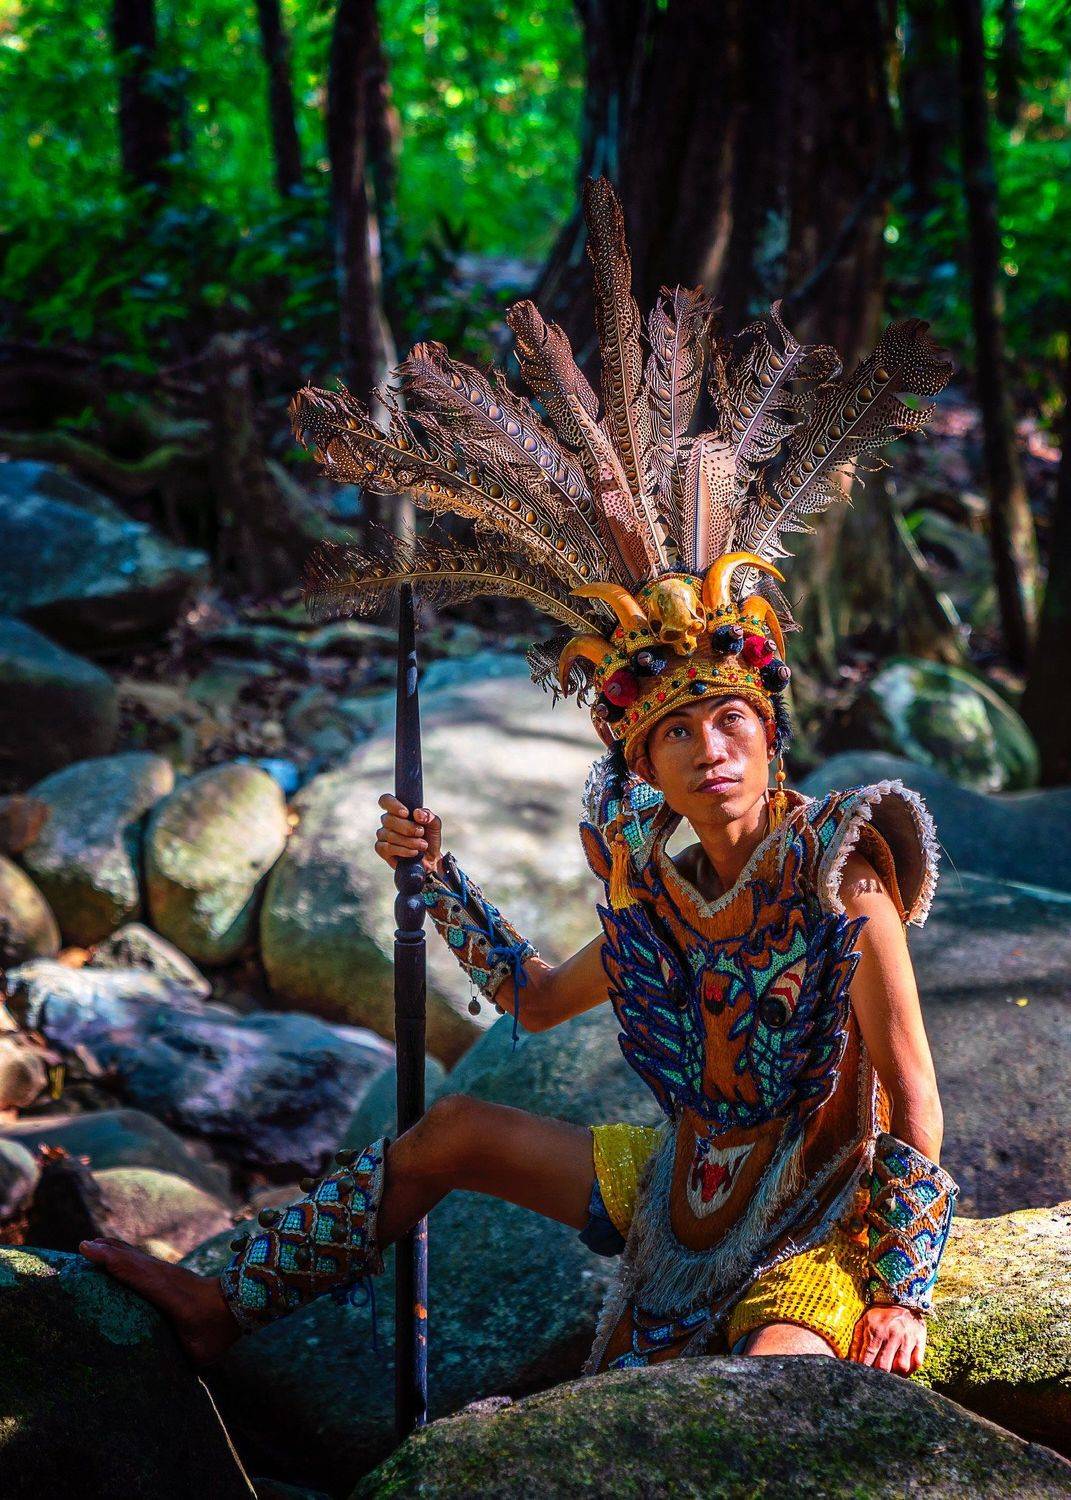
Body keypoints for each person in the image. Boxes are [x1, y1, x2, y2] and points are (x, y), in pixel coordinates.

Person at [81, 174, 959, 1379]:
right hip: (678, 1187)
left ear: (770, 732)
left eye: (730, 722)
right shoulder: (664, 886)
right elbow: (539, 1003)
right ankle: (220, 1301)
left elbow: (912, 1093)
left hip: (815, 1223)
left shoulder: (839, 869)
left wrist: (901, 1287)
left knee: (766, 1383)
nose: (711, 750)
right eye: (678, 734)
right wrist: (436, 879)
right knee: (451, 1132)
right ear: (645, 762)